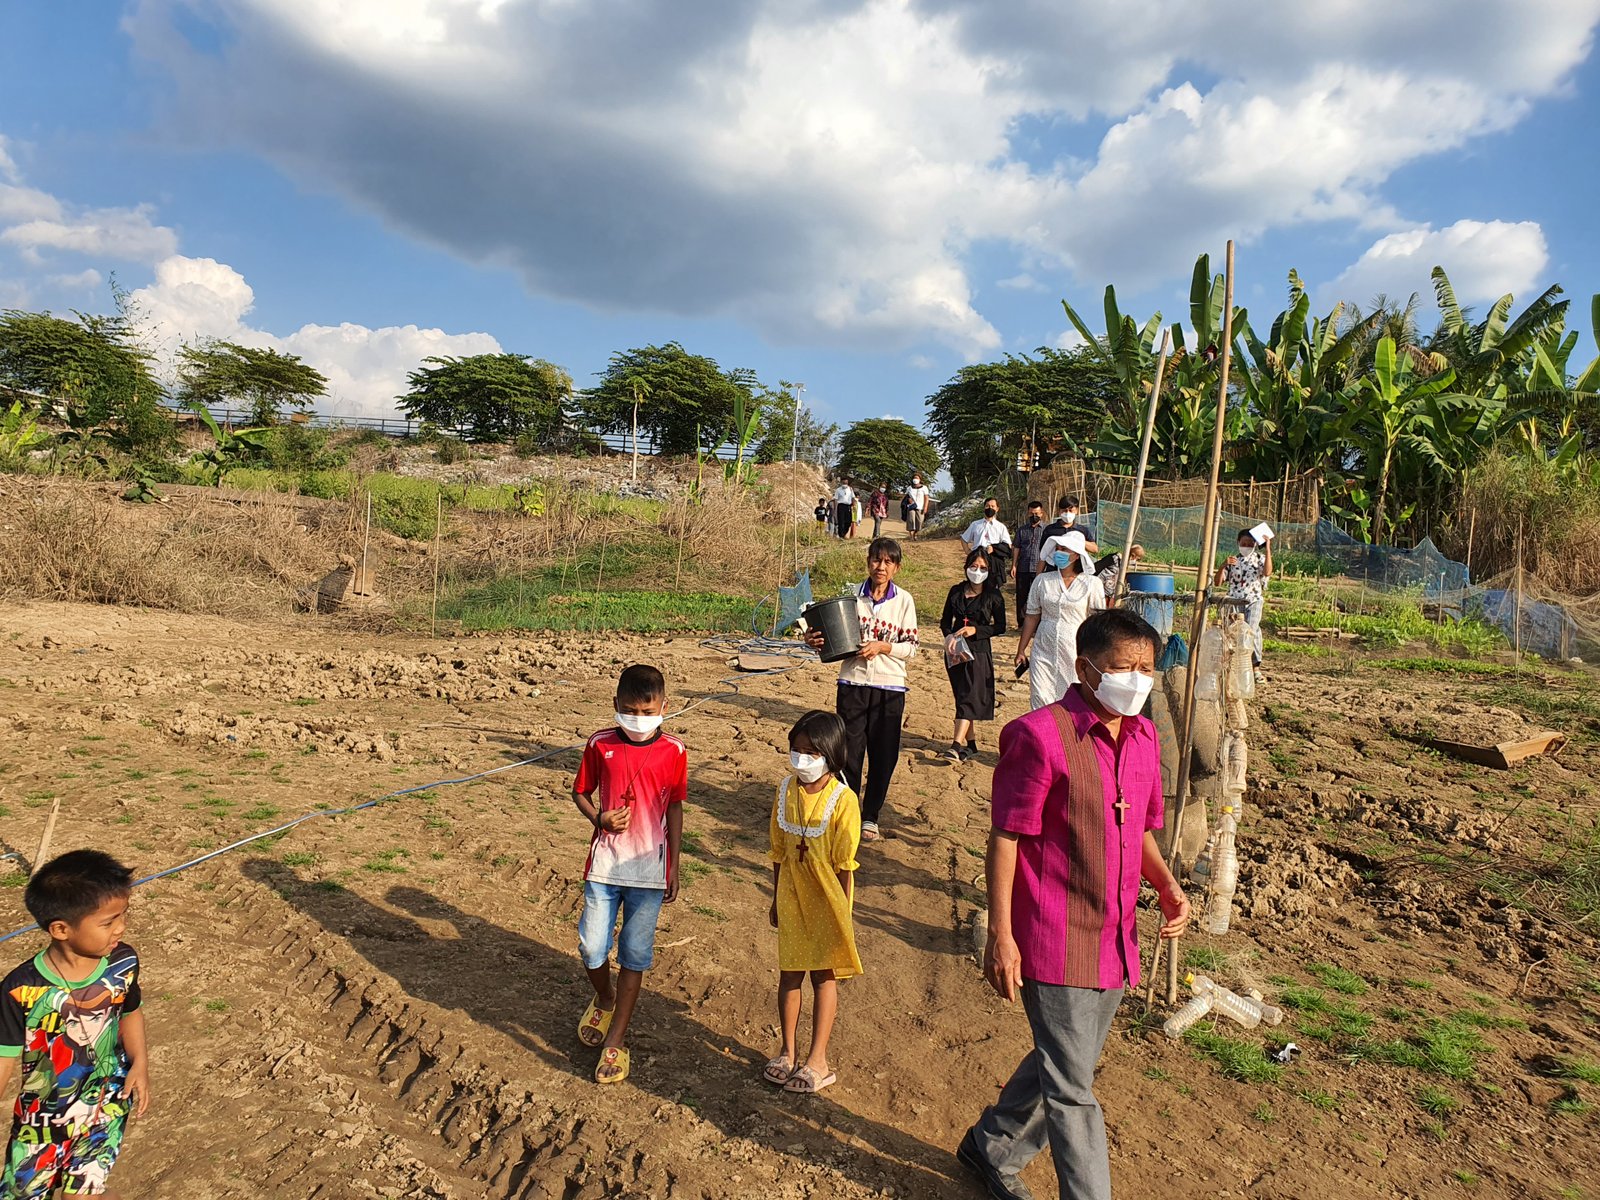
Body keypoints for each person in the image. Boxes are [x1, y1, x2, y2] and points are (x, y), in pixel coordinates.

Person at [959, 609, 1190, 1200]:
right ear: (1086, 669)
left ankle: (992, 1143)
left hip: (1114, 938)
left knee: (1067, 1063)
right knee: (1072, 1090)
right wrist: (1001, 935)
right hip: (1053, 935)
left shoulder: (1142, 738)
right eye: (1124, 668)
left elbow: (1139, 830)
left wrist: (1165, 886)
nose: (1138, 680)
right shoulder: (1038, 735)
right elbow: (1007, 835)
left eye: (1146, 668)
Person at [1, 850, 150, 1200]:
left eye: (122, 916)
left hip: (106, 1109)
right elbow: (5, 1057)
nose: (121, 927)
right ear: (60, 929)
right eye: (108, 921)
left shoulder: (123, 963)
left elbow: (131, 1010)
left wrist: (139, 1062)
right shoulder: (20, 989)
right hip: (40, 1127)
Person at [570, 663, 687, 1085]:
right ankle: (604, 995)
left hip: (649, 872)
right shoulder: (599, 744)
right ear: (615, 705)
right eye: (630, 710)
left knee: (635, 954)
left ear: (663, 707)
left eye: (648, 710)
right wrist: (599, 818)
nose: (639, 719)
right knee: (591, 947)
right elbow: (579, 791)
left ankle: (615, 1040)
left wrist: (674, 861)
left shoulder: (674, 750)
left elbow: (674, 805)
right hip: (604, 868)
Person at [764, 710, 862, 1096]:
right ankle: (787, 1052)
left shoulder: (844, 801)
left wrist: (843, 915)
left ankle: (817, 1060)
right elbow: (777, 851)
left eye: (811, 752)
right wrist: (775, 898)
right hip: (791, 894)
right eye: (796, 750)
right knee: (789, 973)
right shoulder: (785, 790)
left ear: (831, 755)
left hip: (826, 901)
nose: (802, 759)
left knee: (823, 976)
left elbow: (845, 866)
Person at [803, 537, 919, 842]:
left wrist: (883, 646)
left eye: (887, 562)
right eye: (875, 560)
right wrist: (813, 640)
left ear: (897, 567)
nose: (880, 567)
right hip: (852, 684)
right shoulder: (850, 596)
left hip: (890, 687)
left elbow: (912, 648)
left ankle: (871, 816)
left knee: (884, 755)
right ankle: (850, 811)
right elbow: (830, 637)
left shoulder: (904, 601)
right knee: (849, 753)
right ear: (868, 562)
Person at [1017, 531, 1103, 711]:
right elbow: (1032, 616)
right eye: (1057, 548)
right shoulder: (1042, 581)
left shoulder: (1091, 584)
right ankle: (1042, 735)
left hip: (1074, 648)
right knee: (1040, 695)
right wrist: (1021, 649)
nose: (1059, 552)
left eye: (1064, 549)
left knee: (1070, 694)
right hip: (1043, 646)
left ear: (1076, 554)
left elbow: (1096, 621)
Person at [940, 547, 1007, 761]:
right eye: (974, 566)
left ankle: (955, 745)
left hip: (978, 652)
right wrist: (949, 636)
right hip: (955, 652)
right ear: (967, 567)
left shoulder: (993, 596)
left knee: (969, 696)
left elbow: (1001, 627)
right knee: (961, 697)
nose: (977, 571)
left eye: (982, 567)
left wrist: (976, 630)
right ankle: (971, 745)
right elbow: (944, 621)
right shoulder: (955, 591)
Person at [1216, 528, 1272, 674]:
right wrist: (1223, 565)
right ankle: (1236, 665)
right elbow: (1218, 582)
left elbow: (1267, 572)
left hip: (1253, 600)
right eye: (1244, 543)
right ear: (1238, 543)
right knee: (1234, 632)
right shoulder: (1233, 560)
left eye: (1250, 544)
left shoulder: (1259, 559)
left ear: (1255, 544)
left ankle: (1253, 667)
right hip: (1234, 601)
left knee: (1250, 631)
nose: (1246, 546)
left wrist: (1267, 549)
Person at [1037, 496, 1099, 570]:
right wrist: (1038, 578)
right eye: (1064, 510)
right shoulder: (1050, 530)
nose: (1067, 513)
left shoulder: (1082, 530)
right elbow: (1043, 555)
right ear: (1059, 511)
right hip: (1054, 569)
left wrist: (1077, 540)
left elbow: (1095, 549)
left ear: (1076, 511)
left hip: (1075, 571)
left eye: (1071, 510)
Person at [1013, 499, 1046, 622]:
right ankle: (1021, 623)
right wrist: (1014, 565)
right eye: (1032, 513)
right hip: (1023, 567)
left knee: (1038, 597)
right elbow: (1016, 547)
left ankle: (1037, 623)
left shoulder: (1046, 530)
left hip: (1040, 569)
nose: (1034, 516)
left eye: (1037, 514)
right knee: (1022, 596)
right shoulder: (1022, 530)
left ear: (1042, 513)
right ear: (1028, 513)